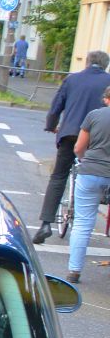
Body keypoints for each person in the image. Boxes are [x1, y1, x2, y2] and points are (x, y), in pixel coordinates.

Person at [36, 50, 110, 244]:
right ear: (105, 65)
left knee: (59, 175)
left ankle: (45, 223)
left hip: (70, 134)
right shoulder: (108, 81)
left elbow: (55, 107)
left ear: (87, 63)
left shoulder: (72, 80)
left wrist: (51, 126)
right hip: (97, 137)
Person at [62, 83, 110, 282]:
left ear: (106, 99)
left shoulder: (94, 115)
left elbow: (79, 147)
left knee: (83, 223)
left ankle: (74, 271)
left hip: (90, 171)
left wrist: (83, 159)